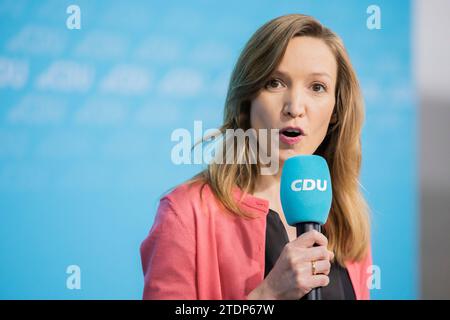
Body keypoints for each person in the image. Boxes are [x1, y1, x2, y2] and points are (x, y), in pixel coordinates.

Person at [140, 13, 372, 300]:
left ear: (336, 109)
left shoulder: (345, 220)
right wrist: (269, 294)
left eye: (317, 87)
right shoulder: (187, 213)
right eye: (275, 83)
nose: (294, 107)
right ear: (247, 99)